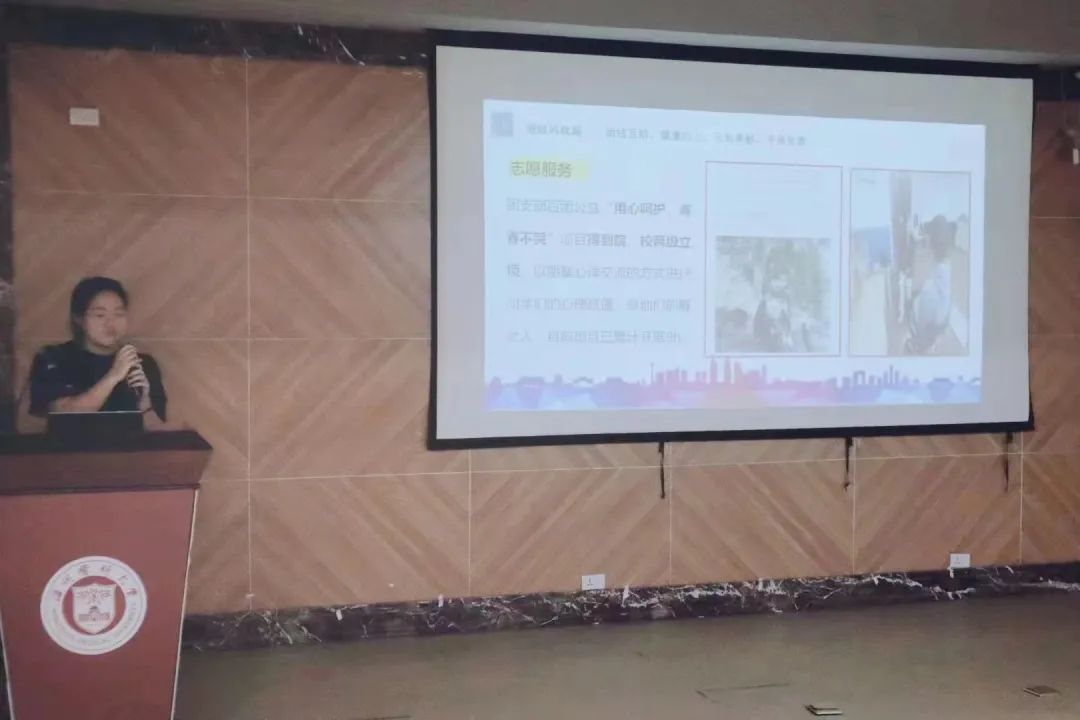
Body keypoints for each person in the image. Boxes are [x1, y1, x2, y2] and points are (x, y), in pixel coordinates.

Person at [28, 276, 167, 426]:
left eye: (119, 314)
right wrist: (114, 375)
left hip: (127, 441)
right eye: (100, 315)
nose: (110, 323)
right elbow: (65, 415)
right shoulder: (54, 357)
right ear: (79, 318)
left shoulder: (141, 363)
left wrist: (145, 402)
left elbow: (159, 431)